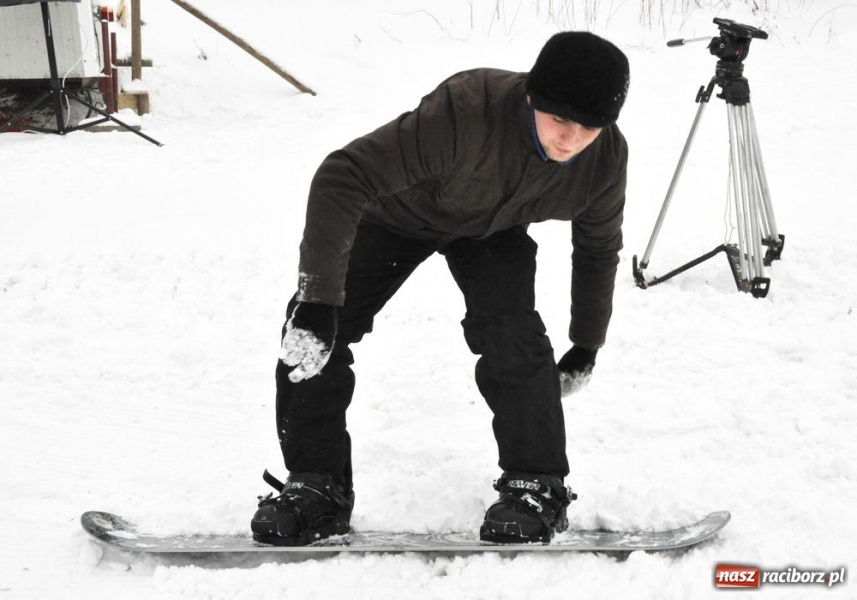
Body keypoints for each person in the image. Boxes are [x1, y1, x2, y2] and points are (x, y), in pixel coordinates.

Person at [251, 30, 630, 546]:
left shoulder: (603, 160)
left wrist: (588, 340)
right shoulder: (465, 111)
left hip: (492, 231)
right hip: (397, 217)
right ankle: (316, 488)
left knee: (512, 335)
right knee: (314, 334)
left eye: (588, 127)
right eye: (559, 119)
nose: (571, 139)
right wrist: (318, 300)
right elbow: (342, 175)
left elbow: (597, 247)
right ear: (530, 99)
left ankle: (535, 487)